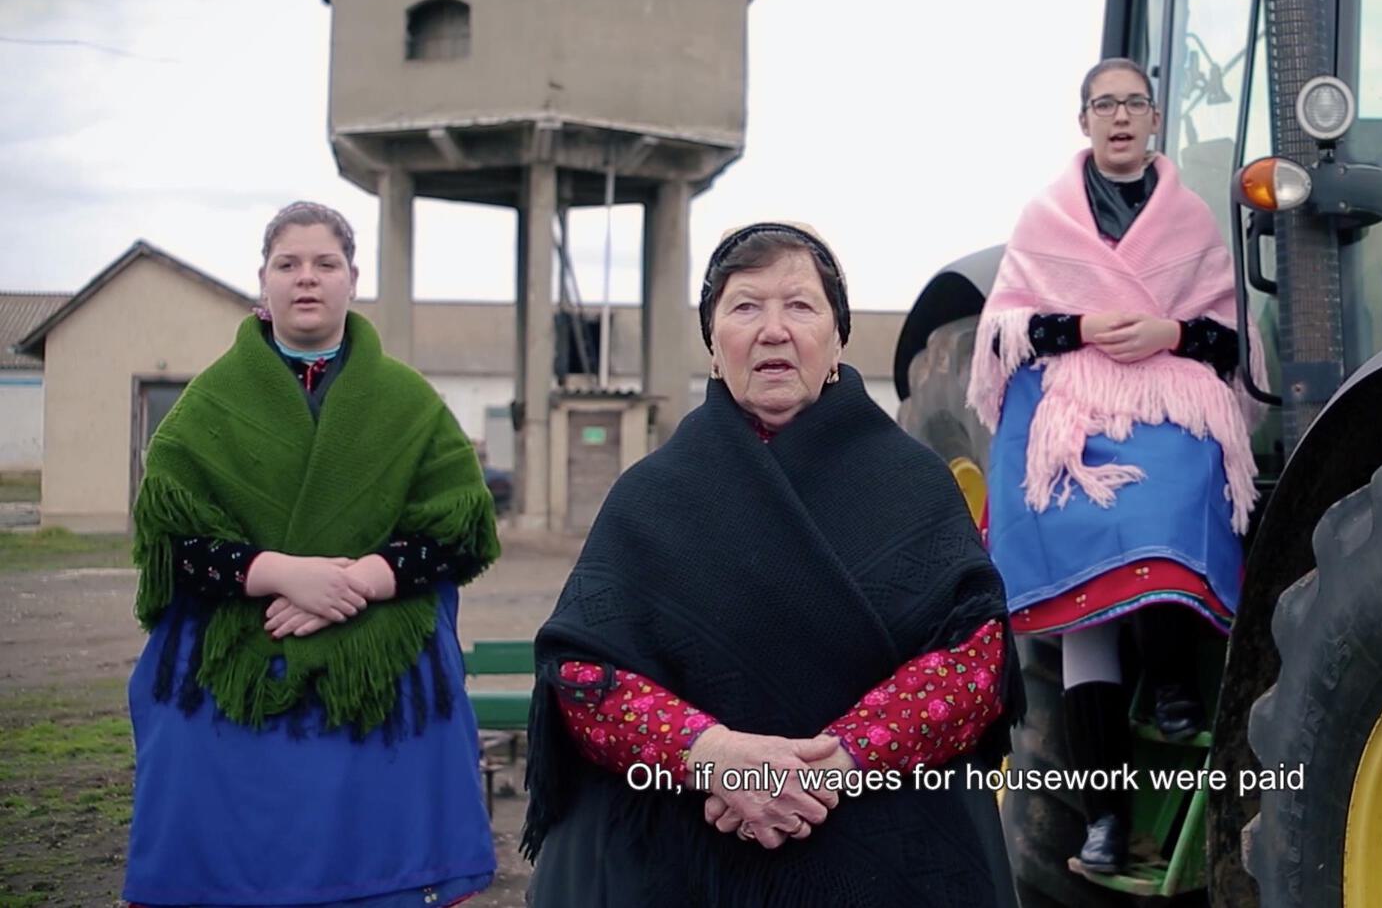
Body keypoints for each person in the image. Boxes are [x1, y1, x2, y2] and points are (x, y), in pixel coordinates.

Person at [521, 222, 1022, 907]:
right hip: (687, 846)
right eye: (746, 306)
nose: (774, 330)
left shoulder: (914, 483)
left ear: (838, 336)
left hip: (883, 838)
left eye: (800, 305)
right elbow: (583, 676)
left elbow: (975, 663)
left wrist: (839, 760)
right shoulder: (651, 495)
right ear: (713, 338)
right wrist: (712, 754)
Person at [123, 202, 501, 906]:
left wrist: (365, 580)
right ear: (261, 282)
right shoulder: (208, 402)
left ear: (352, 279)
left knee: (420, 711)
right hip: (241, 630)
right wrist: (279, 574)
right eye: (287, 264)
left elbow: (459, 529)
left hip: (379, 631)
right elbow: (171, 538)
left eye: (325, 263)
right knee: (185, 723)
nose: (306, 278)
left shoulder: (408, 402)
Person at [966, 57, 1257, 875]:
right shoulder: (1045, 218)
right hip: (1074, 404)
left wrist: (1170, 336)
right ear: (1084, 120)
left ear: (1155, 120)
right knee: (1084, 596)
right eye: (1105, 104)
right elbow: (1005, 331)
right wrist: (1087, 324)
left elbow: (1230, 342)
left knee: (1166, 497)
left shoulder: (1193, 221)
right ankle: (1103, 817)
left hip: (1166, 394)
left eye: (1134, 104)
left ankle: (1173, 683)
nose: (1120, 117)